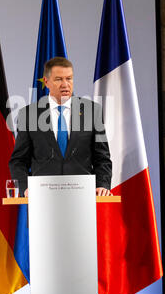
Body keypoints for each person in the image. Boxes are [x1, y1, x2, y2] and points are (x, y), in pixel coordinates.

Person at [9, 57, 112, 197]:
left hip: (82, 197)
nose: (65, 84)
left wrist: (102, 185)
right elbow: (18, 160)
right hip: (42, 198)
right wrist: (25, 187)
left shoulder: (91, 111)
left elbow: (102, 157)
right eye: (59, 79)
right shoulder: (29, 115)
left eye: (69, 78)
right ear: (46, 82)